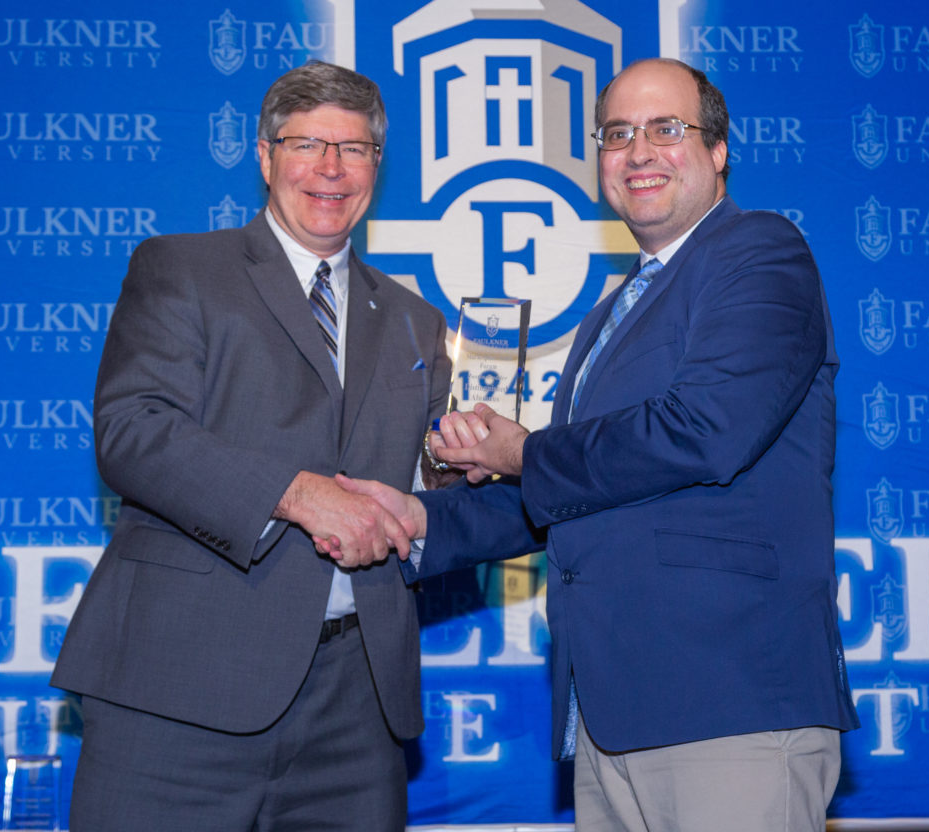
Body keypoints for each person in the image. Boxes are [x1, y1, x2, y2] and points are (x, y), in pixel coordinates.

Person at [334, 58, 859, 831]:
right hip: (610, 717)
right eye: (617, 133)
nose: (638, 150)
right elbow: (577, 485)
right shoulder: (608, 315)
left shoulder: (760, 253)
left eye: (665, 128)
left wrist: (522, 452)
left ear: (718, 151)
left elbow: (705, 432)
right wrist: (418, 523)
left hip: (732, 703)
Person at [51, 61, 451, 832]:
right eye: (307, 144)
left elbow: (424, 499)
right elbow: (134, 431)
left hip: (356, 710)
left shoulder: (414, 321)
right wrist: (295, 492)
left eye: (356, 149)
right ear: (265, 158)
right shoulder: (182, 269)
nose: (331, 169)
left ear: (377, 166)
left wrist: (470, 461)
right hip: (179, 689)